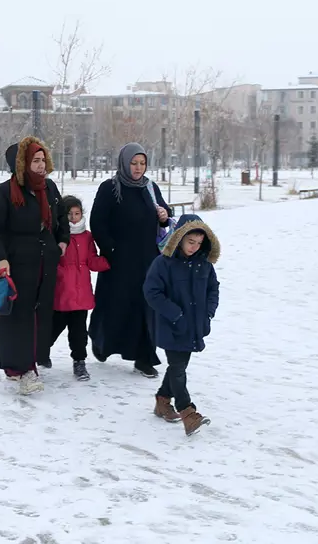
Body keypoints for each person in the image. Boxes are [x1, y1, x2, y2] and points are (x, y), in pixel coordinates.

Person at [0, 136, 69, 395]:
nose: (41, 165)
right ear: (23, 163)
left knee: (41, 316)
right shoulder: (6, 192)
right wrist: (0, 258)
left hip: (46, 262)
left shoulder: (50, 188)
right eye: (35, 161)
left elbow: (61, 217)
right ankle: (22, 368)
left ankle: (31, 361)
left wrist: (62, 241)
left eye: (43, 160)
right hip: (17, 264)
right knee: (17, 317)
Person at [88, 142, 172, 378]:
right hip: (119, 261)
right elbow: (98, 222)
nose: (138, 168)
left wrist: (165, 216)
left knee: (146, 307)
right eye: (134, 163)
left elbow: (163, 214)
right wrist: (110, 250)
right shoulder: (110, 188)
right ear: (125, 163)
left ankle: (144, 357)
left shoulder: (150, 187)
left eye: (142, 163)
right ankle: (101, 339)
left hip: (148, 259)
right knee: (114, 305)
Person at [143, 213, 220, 436]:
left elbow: (213, 289)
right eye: (190, 241)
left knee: (179, 366)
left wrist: (208, 313)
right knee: (178, 368)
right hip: (171, 325)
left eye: (199, 243)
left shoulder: (204, 265)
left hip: (195, 325)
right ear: (179, 238)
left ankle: (162, 400)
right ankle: (187, 411)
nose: (194, 247)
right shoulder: (163, 263)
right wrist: (175, 314)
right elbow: (151, 292)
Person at [52, 195, 110, 381]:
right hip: (62, 294)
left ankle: (79, 362)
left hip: (81, 295)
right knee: (51, 329)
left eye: (77, 213)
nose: (74, 218)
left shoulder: (87, 237)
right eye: (69, 214)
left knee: (79, 333)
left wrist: (109, 260)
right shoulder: (58, 235)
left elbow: (91, 261)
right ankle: (38, 354)